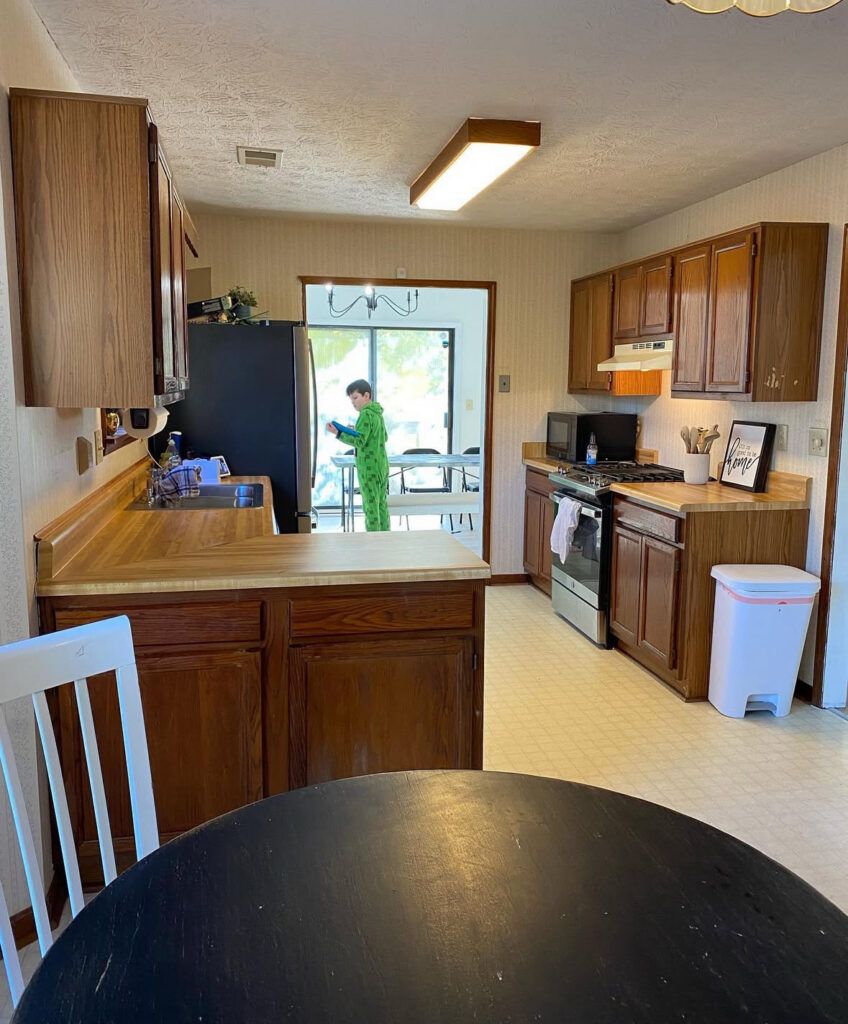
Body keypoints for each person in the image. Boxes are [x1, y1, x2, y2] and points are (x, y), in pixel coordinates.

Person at [327, 379, 389, 532]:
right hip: (382, 466)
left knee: (370, 507)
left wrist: (338, 433)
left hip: (369, 468)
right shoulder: (377, 413)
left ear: (366, 396)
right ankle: (386, 539)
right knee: (381, 504)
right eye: (351, 400)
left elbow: (360, 441)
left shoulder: (365, 414)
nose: (353, 403)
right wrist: (356, 429)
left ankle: (374, 541)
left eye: (355, 398)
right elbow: (384, 436)